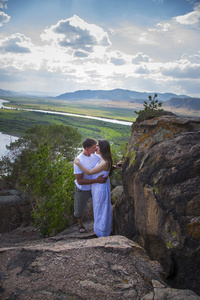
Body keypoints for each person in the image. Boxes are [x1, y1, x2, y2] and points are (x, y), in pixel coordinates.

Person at [74, 139, 113, 237]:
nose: (96, 148)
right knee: (90, 208)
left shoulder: (99, 158)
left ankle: (102, 232)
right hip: (87, 188)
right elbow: (79, 180)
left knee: (101, 208)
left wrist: (78, 163)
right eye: (94, 147)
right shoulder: (84, 158)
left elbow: (92, 172)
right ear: (87, 148)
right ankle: (85, 226)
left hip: (98, 188)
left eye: (97, 146)